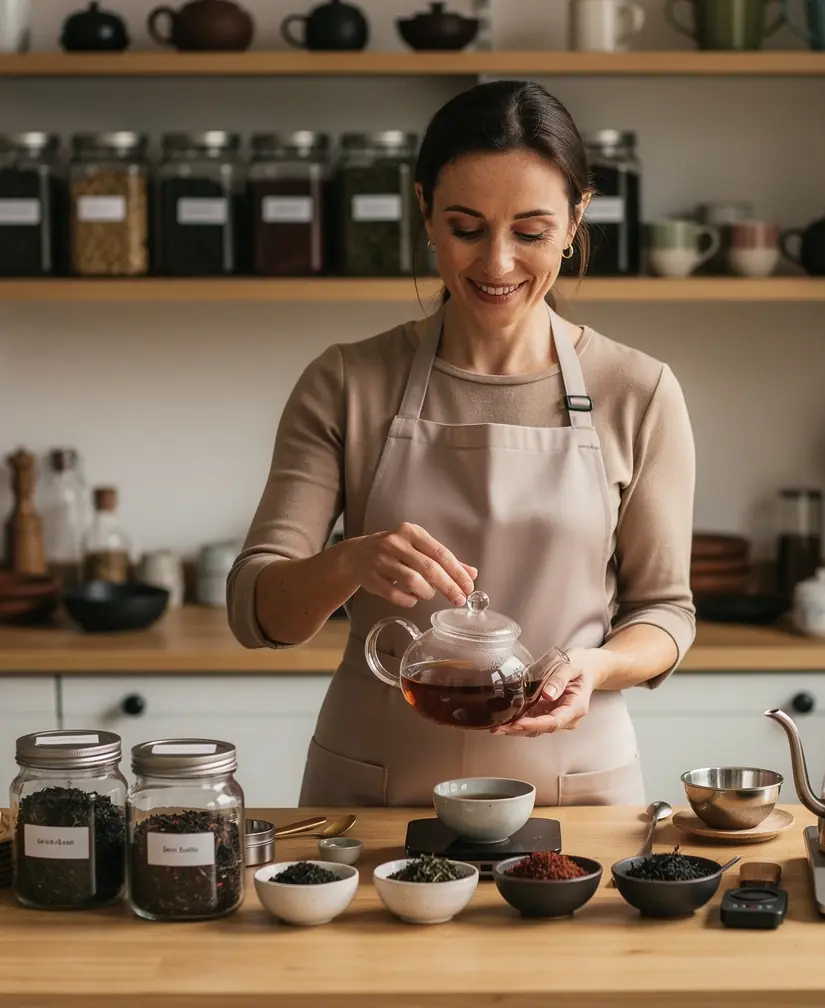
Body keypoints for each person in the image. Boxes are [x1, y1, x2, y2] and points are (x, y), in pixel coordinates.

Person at [227, 80, 696, 807]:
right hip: (376, 796)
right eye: (467, 227)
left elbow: (666, 612)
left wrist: (595, 668)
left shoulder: (639, 391)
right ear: (425, 213)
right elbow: (257, 611)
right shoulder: (347, 381)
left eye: (531, 232)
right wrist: (351, 559)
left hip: (575, 796)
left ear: (576, 221)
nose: (498, 264)